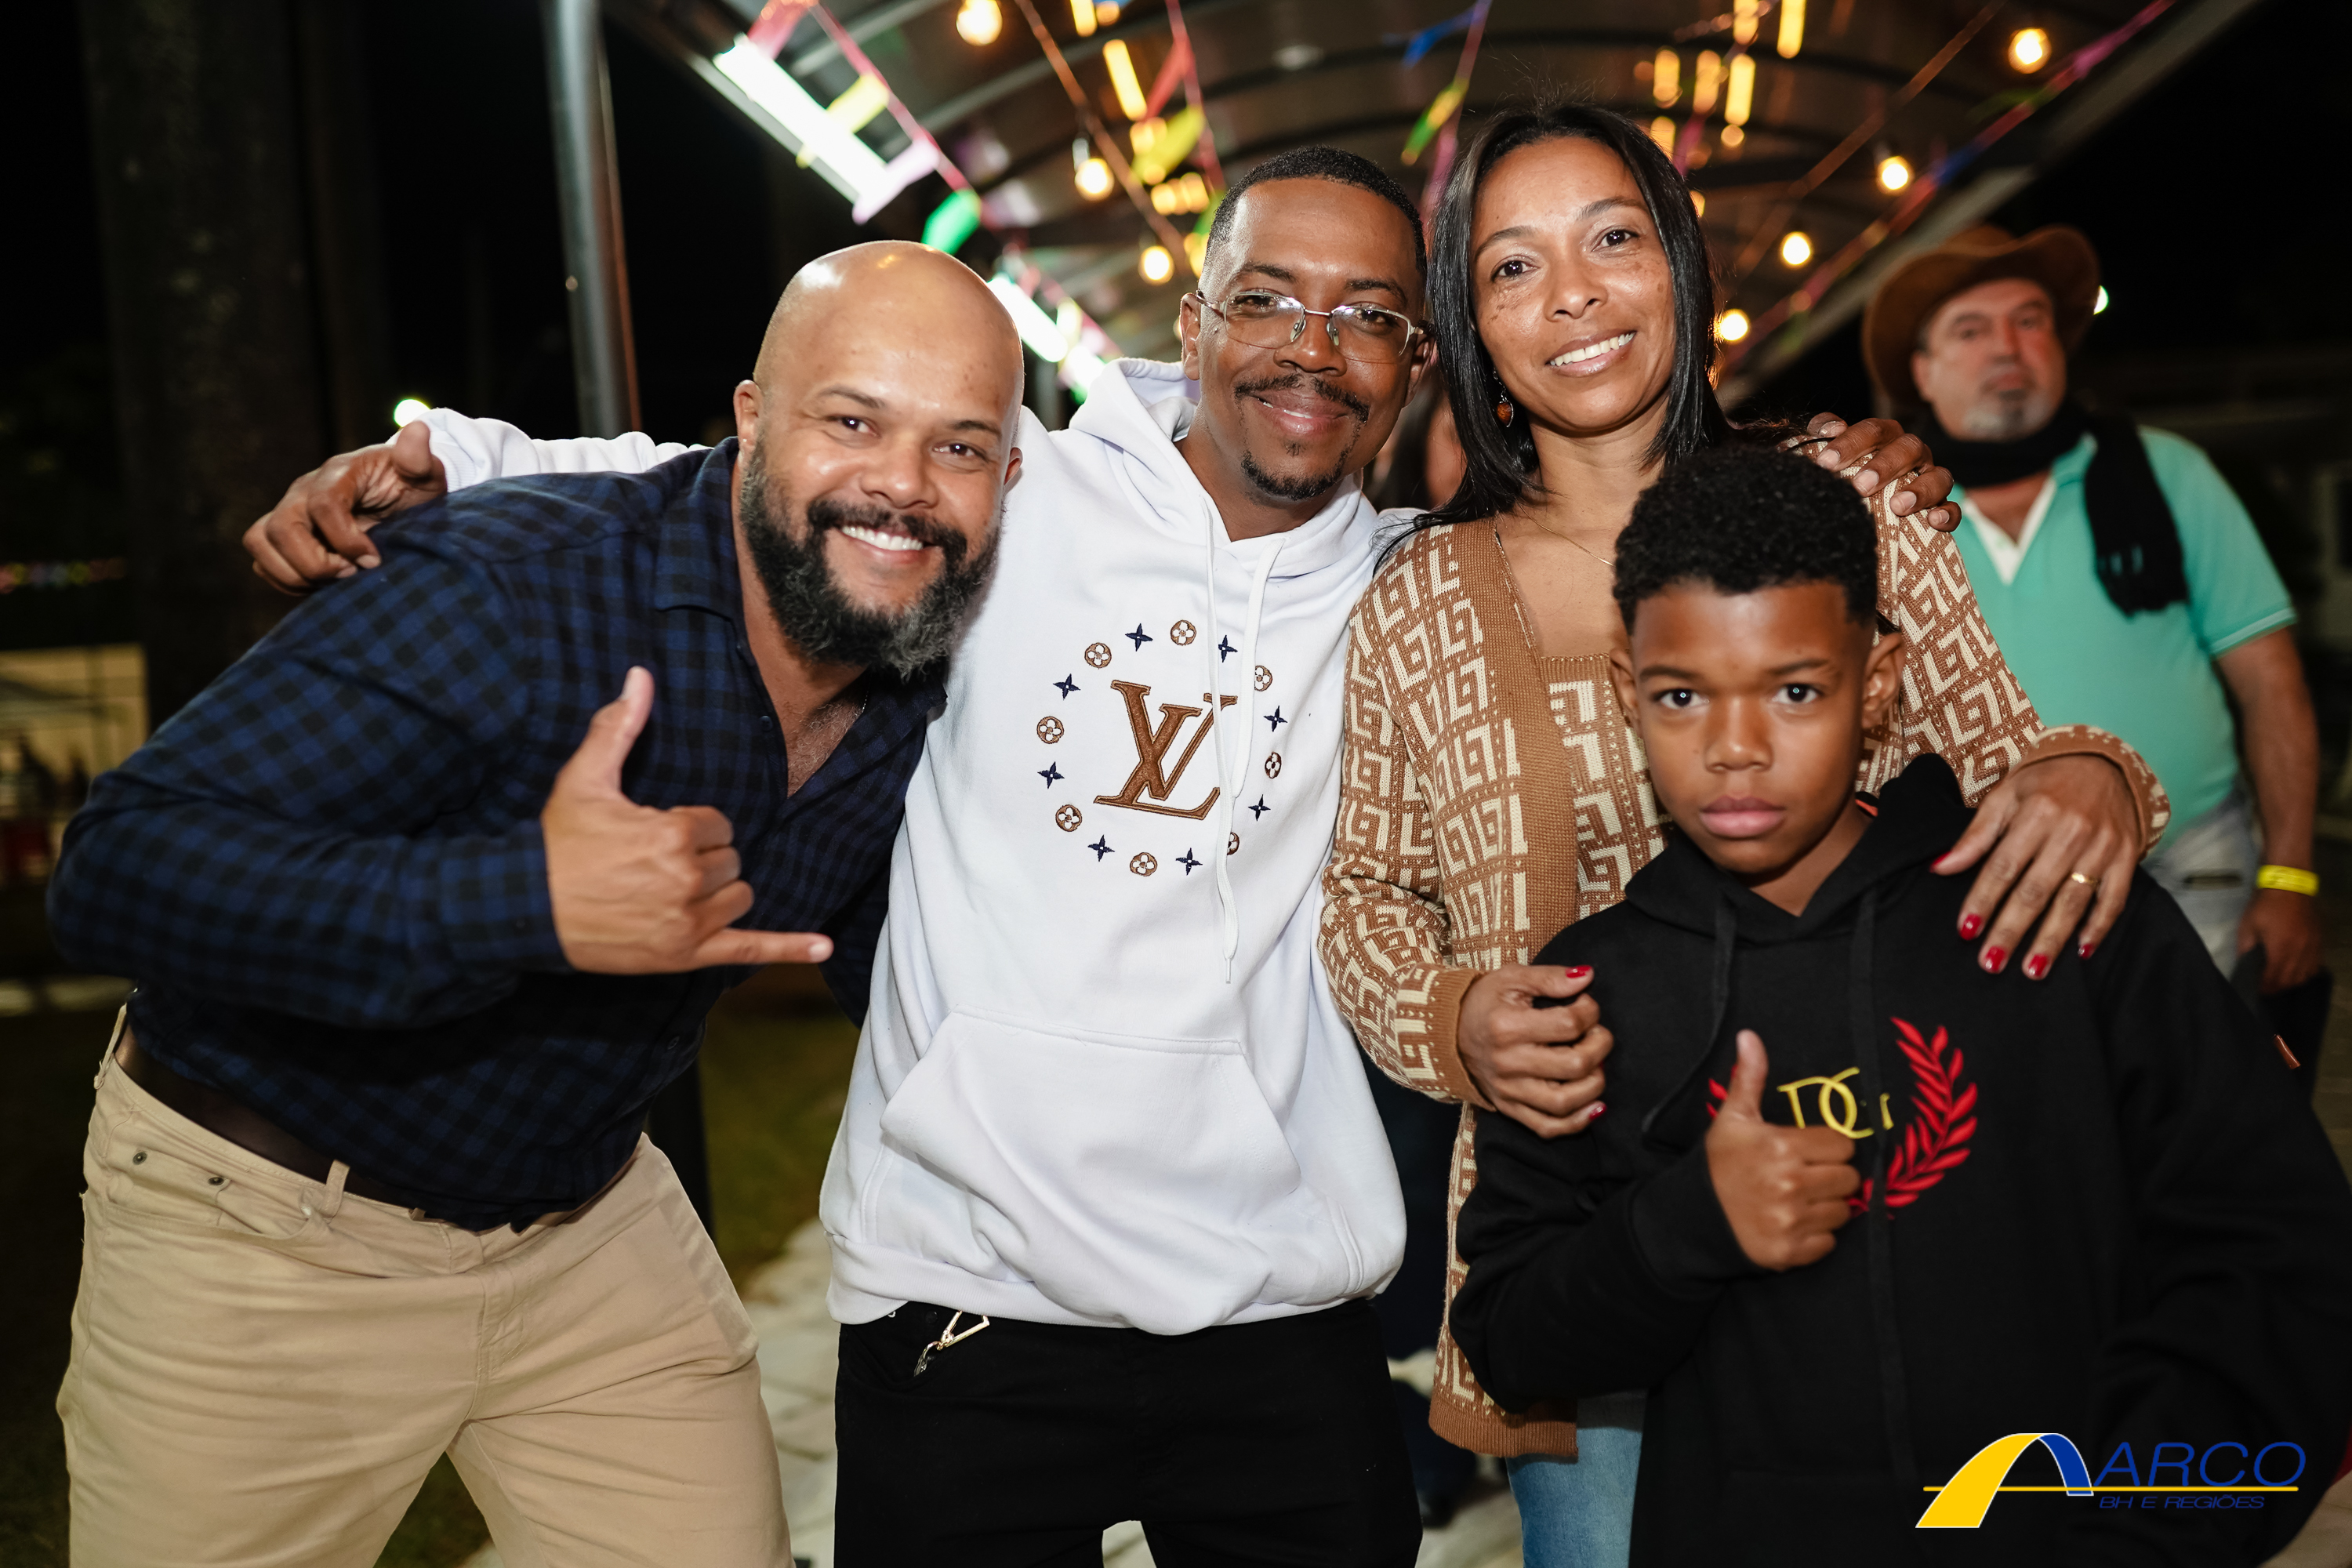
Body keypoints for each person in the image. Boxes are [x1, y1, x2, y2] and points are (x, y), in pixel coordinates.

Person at [241, 147, 1944, 1564]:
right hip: (963, 1301)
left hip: (1280, 1312)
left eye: (1367, 315)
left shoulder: (1411, 589)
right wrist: (444, 461)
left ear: (1418, 362)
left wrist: (1847, 469)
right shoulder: (1009, 498)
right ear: (1190, 322)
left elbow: (1638, 568)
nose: (1311, 347)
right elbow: (703, 485)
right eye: (1267, 299)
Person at [44, 241, 1024, 1566]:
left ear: (1009, 476)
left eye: (959, 446)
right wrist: (522, 899)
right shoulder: (505, 587)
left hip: (586, 1220)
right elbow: (119, 866)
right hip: (266, 1222)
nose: (903, 484)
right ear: (751, 421)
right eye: (852, 422)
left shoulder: (925, 666)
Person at [1316, 103, 2170, 1563]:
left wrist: (2094, 774)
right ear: (1468, 326)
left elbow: (2011, 767)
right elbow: (1365, 896)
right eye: (1513, 267)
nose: (1572, 295)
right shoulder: (1417, 601)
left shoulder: (1848, 506)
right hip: (1586, 1259)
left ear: (1682, 264)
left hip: (1889, 1203)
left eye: (1613, 238)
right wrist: (1455, 1018)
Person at [1448, 445, 2352, 1565]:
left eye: (1795, 690)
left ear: (1876, 682)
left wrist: (2137, 1531)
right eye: (1682, 696)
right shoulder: (1589, 992)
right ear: (1628, 689)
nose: (1735, 751)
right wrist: (1685, 1227)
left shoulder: (2057, 914)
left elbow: (2273, 1254)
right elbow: (1512, 1340)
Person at [1868, 223, 2323, 998]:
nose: (2007, 346)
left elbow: (2272, 684)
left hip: (2191, 870)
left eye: (2030, 320)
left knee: (2209, 1078)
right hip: (1968, 885)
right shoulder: (1889, 511)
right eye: (1971, 329)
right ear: (1923, 370)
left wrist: (2290, 878)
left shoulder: (2169, 473)